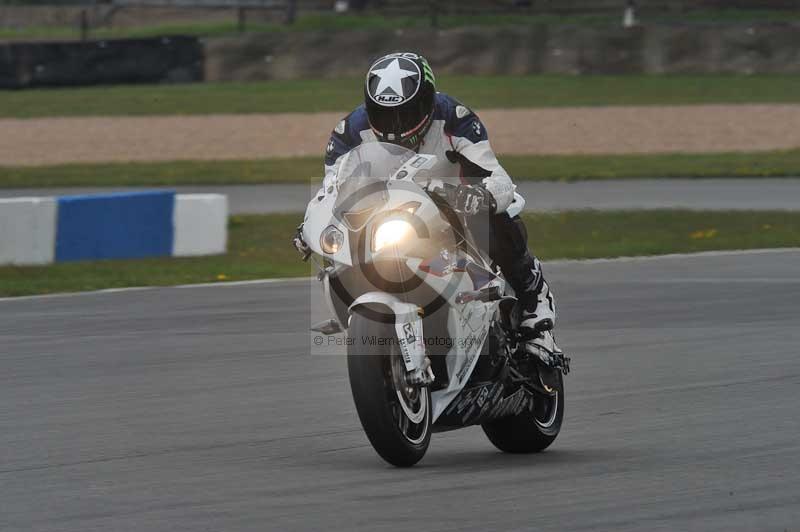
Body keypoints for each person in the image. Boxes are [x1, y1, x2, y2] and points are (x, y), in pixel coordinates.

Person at [310, 51, 562, 366]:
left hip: (454, 215)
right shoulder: (349, 132)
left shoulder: (455, 118)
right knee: (340, 258)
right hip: (391, 219)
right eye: (386, 115)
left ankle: (532, 293)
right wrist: (313, 225)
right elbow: (332, 192)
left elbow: (498, 178)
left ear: (428, 101)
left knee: (495, 216)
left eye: (406, 112)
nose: (397, 126)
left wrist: (481, 196)